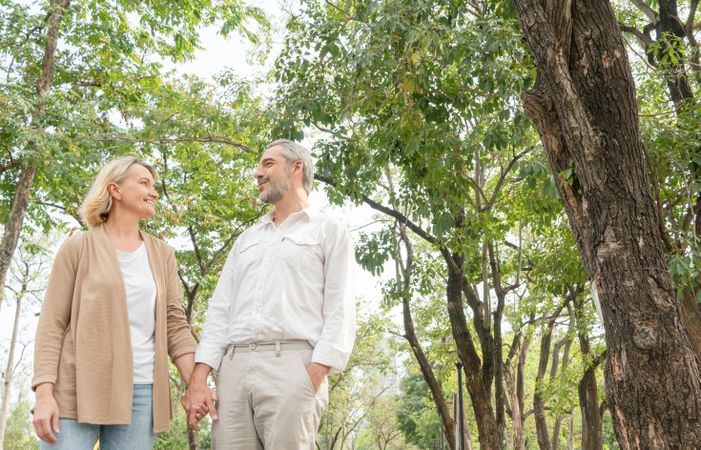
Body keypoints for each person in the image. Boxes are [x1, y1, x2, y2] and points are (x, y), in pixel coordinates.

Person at [185, 139, 357, 449]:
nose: (257, 173)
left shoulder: (329, 230)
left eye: (267, 164)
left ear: (296, 167)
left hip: (293, 366)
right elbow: (219, 310)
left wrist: (314, 374)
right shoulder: (247, 239)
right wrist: (200, 378)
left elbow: (340, 308)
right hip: (234, 368)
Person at [32, 156, 204, 449]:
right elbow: (52, 325)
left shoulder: (162, 254)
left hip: (140, 394)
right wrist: (44, 395)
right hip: (75, 390)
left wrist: (196, 385)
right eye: (144, 183)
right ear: (115, 189)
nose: (154, 192)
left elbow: (175, 325)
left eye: (154, 186)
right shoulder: (78, 247)